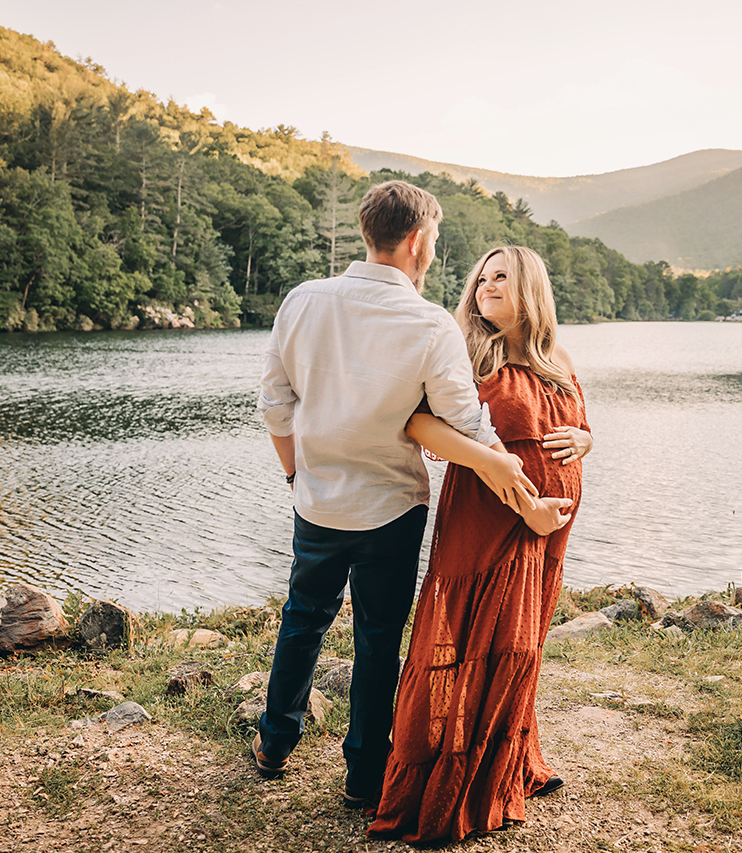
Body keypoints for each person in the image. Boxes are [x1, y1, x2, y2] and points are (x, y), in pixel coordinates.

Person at [254, 182, 543, 808]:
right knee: (379, 640)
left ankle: (274, 742)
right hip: (391, 508)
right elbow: (465, 422)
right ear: (417, 240)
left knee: (302, 620)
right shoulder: (428, 323)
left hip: (317, 501)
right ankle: (362, 775)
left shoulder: (303, 300)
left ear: (368, 231)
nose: (434, 252)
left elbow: (276, 405)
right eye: (434, 240)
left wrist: (295, 477)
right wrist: (519, 473)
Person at [369, 246, 593, 843]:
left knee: (520, 646)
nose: (486, 286)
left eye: (501, 277)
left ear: (531, 289)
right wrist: (526, 506)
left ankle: (505, 762)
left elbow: (577, 427)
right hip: (490, 519)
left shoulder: (556, 356)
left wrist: (585, 443)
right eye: (482, 278)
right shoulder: (468, 349)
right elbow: (419, 424)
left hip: (548, 531)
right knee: (471, 640)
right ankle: (450, 778)